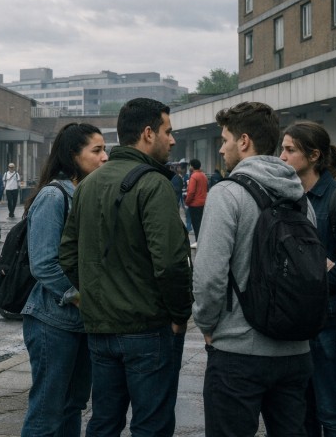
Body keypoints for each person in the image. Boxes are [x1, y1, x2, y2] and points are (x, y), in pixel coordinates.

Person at [59, 98, 192, 436]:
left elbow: (68, 255)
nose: (172, 140)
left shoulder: (88, 185)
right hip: (146, 327)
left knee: (104, 421)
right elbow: (172, 264)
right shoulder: (154, 184)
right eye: (168, 131)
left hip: (100, 329)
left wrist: (95, 295)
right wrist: (179, 313)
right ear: (148, 133)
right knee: (151, 424)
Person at [192, 101, 315, 437]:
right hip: (295, 352)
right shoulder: (300, 198)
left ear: (243, 141)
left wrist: (206, 323)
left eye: (225, 139)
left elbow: (208, 277)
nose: (221, 147)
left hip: (238, 354)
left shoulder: (228, 194)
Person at [20, 123, 108, 436]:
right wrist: (79, 296)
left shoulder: (86, 193)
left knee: (73, 406)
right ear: (73, 155)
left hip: (81, 324)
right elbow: (43, 264)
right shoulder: (53, 197)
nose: (104, 157)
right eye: (96, 150)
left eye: (104, 149)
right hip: (51, 323)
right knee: (47, 412)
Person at [280, 121, 336, 437]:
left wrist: (316, 272)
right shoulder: (286, 198)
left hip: (327, 323)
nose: (282, 156)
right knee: (301, 415)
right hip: (294, 324)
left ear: (313, 155)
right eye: (281, 148)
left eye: (290, 149)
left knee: (332, 412)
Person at [184, 158, 208, 243]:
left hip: (194, 204)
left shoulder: (194, 176)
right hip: (203, 203)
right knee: (201, 224)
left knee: (196, 225)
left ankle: (199, 242)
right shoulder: (203, 175)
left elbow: (191, 192)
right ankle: (202, 241)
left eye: (190, 165)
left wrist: (187, 202)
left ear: (192, 166)